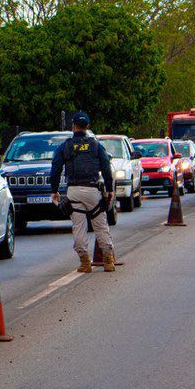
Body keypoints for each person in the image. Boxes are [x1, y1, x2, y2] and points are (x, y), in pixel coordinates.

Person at [51, 111, 116, 273]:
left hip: (74, 191)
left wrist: (54, 190)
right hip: (93, 190)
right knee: (100, 225)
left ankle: (85, 261)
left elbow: (56, 168)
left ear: (73, 126)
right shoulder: (95, 145)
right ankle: (108, 259)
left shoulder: (65, 146)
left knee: (79, 227)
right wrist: (109, 189)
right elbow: (106, 168)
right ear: (87, 127)